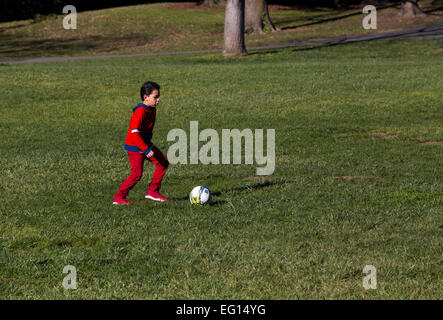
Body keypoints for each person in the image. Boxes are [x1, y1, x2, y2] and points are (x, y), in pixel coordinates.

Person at [113, 81, 169, 205]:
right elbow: (134, 133)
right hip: (135, 146)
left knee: (163, 162)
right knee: (136, 174)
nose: (158, 100)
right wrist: (146, 149)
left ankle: (153, 192)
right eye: (155, 97)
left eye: (158, 96)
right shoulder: (140, 112)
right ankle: (119, 197)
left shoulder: (152, 109)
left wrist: (147, 146)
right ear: (145, 97)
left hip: (145, 144)